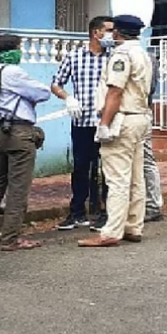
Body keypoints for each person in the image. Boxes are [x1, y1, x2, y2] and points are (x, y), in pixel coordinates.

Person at [79, 15, 155, 248]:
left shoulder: (121, 55)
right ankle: (133, 226)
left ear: (118, 33)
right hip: (140, 118)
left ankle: (111, 232)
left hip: (122, 119)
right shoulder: (143, 53)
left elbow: (114, 92)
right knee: (135, 177)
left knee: (117, 178)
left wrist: (104, 123)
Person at [0, 34, 52, 251]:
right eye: (19, 48)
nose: (21, 52)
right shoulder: (14, 73)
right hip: (19, 131)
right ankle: (11, 237)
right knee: (18, 186)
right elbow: (43, 92)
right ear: (11, 51)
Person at [51, 16, 113, 230]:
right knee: (80, 167)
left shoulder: (113, 57)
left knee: (108, 169)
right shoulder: (74, 56)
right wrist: (67, 97)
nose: (112, 35)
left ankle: (106, 212)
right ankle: (77, 211)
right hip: (82, 121)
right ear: (96, 32)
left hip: (107, 121)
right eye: (109, 30)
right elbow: (56, 83)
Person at [143, 50, 164, 222]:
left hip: (137, 113)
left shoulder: (145, 57)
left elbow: (147, 88)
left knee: (145, 160)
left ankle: (152, 205)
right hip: (139, 114)